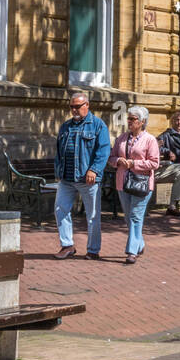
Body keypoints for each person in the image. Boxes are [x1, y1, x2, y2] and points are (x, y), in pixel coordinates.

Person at [53, 91, 111, 260]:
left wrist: (94, 170)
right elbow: (58, 151)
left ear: (87, 105)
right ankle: (67, 245)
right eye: (71, 107)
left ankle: (93, 249)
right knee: (60, 209)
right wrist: (58, 171)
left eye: (77, 107)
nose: (74, 110)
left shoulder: (98, 125)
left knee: (92, 215)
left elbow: (104, 150)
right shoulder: (66, 126)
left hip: (88, 179)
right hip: (67, 178)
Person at [108, 105, 160, 264]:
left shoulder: (150, 140)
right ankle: (140, 243)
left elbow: (154, 163)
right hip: (122, 183)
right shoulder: (121, 138)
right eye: (128, 118)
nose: (129, 121)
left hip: (142, 184)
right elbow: (111, 158)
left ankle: (131, 251)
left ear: (142, 121)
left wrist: (133, 164)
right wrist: (118, 161)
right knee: (129, 218)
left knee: (136, 216)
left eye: (132, 119)